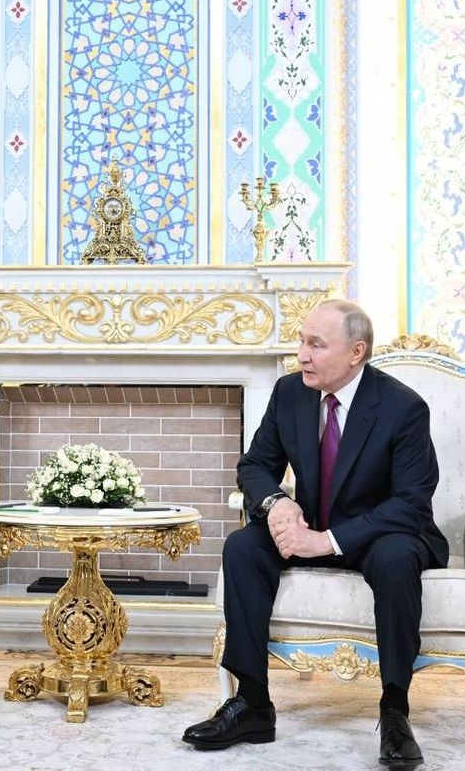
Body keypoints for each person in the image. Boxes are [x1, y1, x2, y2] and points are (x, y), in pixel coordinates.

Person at [181, 299, 444, 770]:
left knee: (396, 558)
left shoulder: (403, 407)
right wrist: (277, 504)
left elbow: (410, 503)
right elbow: (256, 466)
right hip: (311, 522)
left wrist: (327, 542)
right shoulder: (290, 394)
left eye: (315, 345)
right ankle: (253, 705)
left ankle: (394, 711)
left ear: (355, 352)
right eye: (302, 341)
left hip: (381, 531)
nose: (301, 354)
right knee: (243, 546)